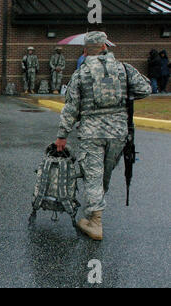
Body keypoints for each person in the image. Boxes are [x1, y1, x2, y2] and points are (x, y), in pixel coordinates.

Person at [55, 32, 151, 241]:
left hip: (92, 134)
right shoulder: (124, 69)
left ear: (85, 50)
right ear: (105, 46)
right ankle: (93, 212)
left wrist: (62, 135)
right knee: (103, 176)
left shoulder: (82, 73)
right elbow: (145, 89)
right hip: (118, 133)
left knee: (93, 177)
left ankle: (95, 222)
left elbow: (71, 107)